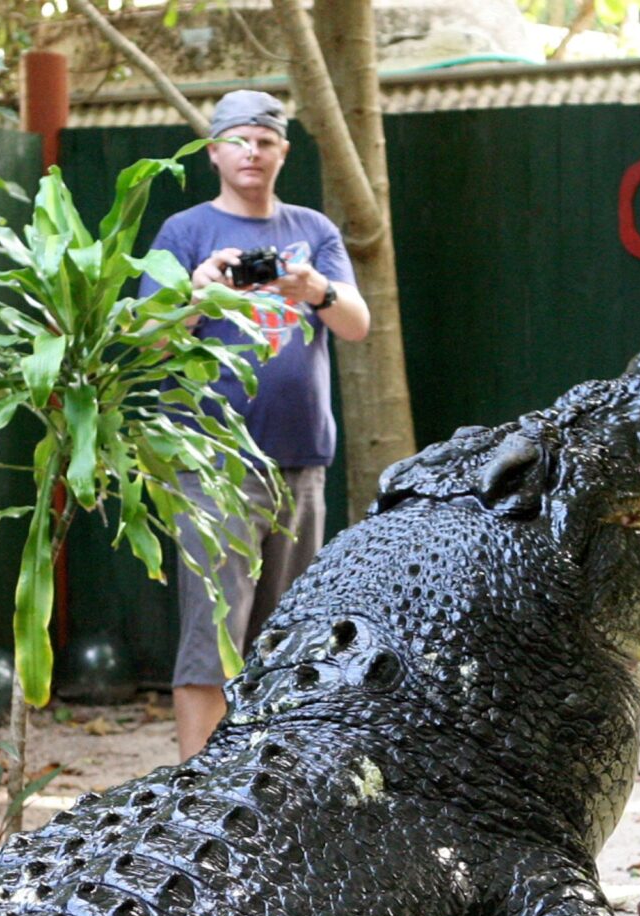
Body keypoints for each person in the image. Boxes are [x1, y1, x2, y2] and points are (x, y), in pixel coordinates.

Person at [145, 89, 371, 760]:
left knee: (288, 637)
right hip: (212, 464)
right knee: (212, 639)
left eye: (265, 140)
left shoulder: (315, 231)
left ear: (283, 152)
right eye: (238, 139)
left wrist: (314, 290)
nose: (252, 151)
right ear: (214, 151)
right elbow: (148, 339)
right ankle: (198, 796)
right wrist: (200, 291)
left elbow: (357, 324)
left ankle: (265, 786)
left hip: (300, 464)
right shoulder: (185, 233)